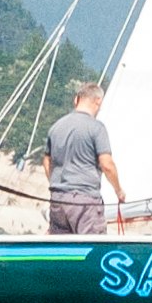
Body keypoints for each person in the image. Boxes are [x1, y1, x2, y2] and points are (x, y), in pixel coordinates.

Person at [40, 77, 126, 235]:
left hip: (58, 199)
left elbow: (47, 161)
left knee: (62, 250)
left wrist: (57, 183)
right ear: (98, 101)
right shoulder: (96, 128)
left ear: (76, 100)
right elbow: (107, 165)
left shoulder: (56, 127)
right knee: (93, 247)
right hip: (85, 202)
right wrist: (118, 190)